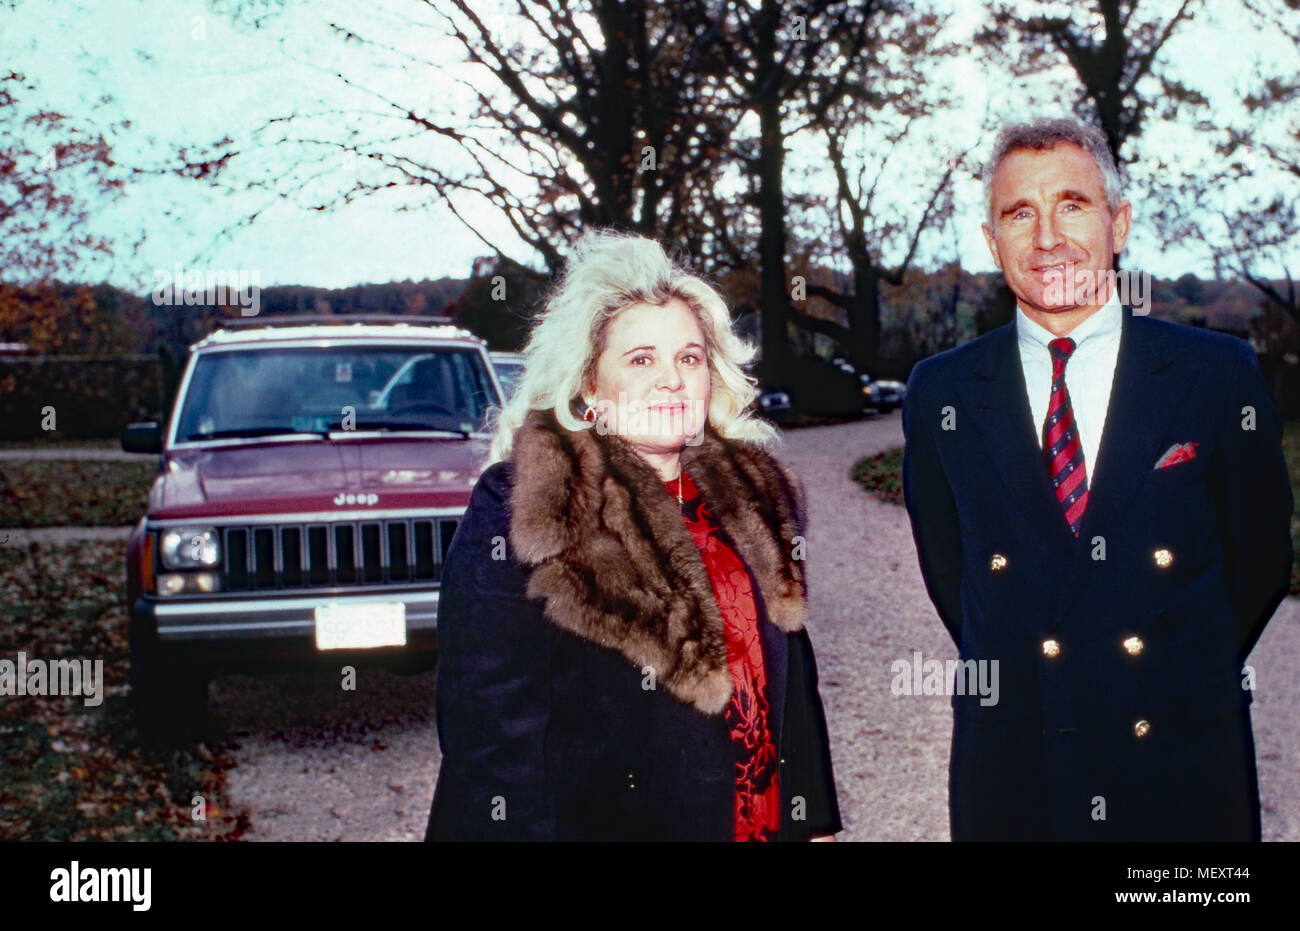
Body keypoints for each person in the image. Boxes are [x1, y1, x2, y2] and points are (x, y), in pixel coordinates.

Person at [902, 117, 1293, 841]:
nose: (1047, 237)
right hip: (1015, 766)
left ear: (1119, 222)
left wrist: (1176, 669)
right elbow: (952, 571)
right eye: (1021, 213)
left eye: (1072, 205)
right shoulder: (941, 392)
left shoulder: (1216, 374)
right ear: (993, 243)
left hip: (1180, 764)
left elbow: (1262, 556)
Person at [425, 230, 841, 841]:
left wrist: (816, 825)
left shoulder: (753, 496)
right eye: (641, 359)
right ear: (590, 385)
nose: (670, 380)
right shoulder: (525, 506)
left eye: (689, 358)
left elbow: (791, 690)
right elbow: (490, 738)